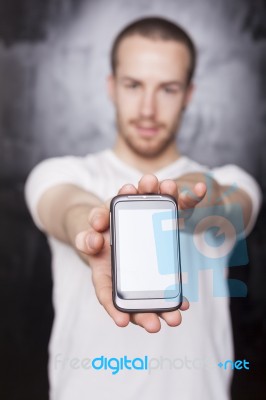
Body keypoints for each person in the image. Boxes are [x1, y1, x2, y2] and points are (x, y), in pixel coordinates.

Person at [25, 17, 261, 400]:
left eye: (168, 89)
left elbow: (226, 204)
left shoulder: (233, 181)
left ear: (188, 94)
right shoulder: (60, 173)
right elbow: (66, 207)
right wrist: (96, 228)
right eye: (133, 85)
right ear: (111, 87)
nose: (148, 109)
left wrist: (184, 202)